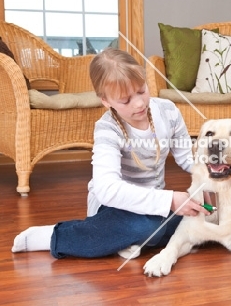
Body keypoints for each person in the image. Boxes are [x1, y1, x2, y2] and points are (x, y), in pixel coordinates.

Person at [12, 47, 209, 259]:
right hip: (112, 206)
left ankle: (128, 241)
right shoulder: (107, 129)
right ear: (105, 101)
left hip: (153, 203)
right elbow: (107, 189)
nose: (140, 103)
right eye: (125, 100)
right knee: (144, 226)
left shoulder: (168, 111)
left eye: (142, 90)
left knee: (204, 216)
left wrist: (213, 173)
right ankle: (52, 236)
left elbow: (187, 158)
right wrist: (169, 200)